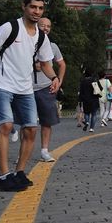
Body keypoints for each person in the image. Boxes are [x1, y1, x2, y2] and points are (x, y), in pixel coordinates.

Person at [0, 0, 59, 191]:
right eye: (33, 7)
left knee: (31, 129)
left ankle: (19, 172)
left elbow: (46, 63)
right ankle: (4, 176)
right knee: (5, 125)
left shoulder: (41, 36)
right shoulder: (9, 28)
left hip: (25, 87)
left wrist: (54, 78)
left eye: (40, 8)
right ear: (24, 7)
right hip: (2, 83)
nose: (36, 12)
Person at [33, 17, 65, 162]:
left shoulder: (52, 46)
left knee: (46, 121)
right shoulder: (27, 43)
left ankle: (45, 150)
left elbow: (62, 64)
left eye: (48, 26)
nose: (45, 28)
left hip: (46, 87)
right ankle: (23, 151)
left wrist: (58, 81)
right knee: (28, 123)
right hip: (27, 87)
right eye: (42, 26)